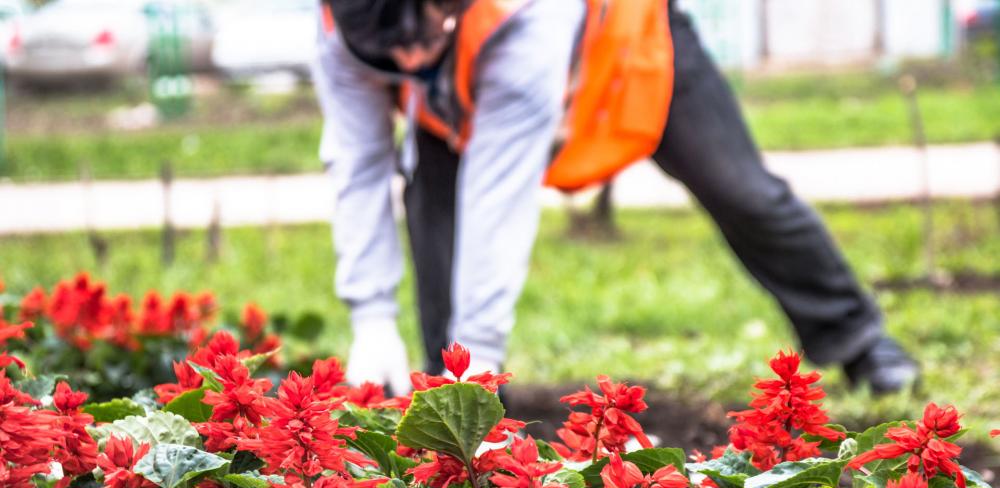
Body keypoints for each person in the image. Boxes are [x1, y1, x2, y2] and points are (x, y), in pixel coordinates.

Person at [314, 0, 920, 397]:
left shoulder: (520, 16)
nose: (408, 61)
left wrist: (482, 354)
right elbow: (358, 164)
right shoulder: (345, 30)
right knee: (433, 203)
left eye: (417, 41)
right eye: (389, 57)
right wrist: (370, 319)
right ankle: (452, 396)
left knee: (740, 189)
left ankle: (859, 338)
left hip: (627, 50)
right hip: (460, 97)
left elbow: (498, 200)